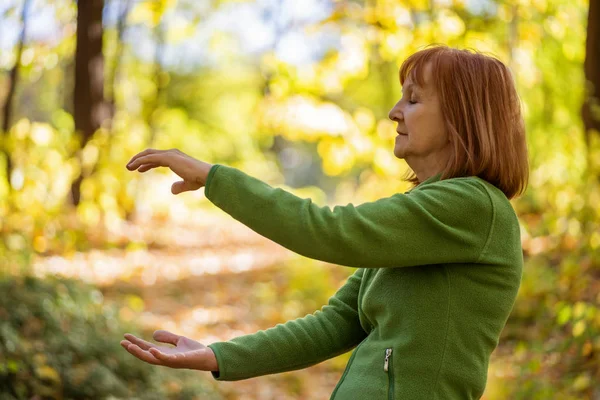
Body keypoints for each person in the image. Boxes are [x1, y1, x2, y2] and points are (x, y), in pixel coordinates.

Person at [120, 45, 529, 399]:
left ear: (463, 117)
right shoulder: (426, 213)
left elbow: (327, 230)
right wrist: (219, 354)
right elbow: (336, 322)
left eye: (414, 100)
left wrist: (214, 178)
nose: (394, 112)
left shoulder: (472, 206)